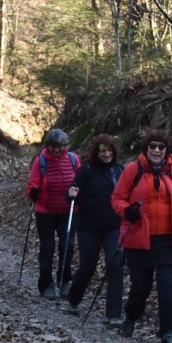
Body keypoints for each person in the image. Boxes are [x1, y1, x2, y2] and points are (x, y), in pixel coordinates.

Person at [111, 130, 172, 343]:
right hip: (139, 240)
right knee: (140, 288)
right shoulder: (133, 171)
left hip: (167, 241)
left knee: (168, 289)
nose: (156, 150)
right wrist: (127, 211)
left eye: (161, 147)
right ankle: (131, 318)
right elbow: (117, 199)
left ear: (166, 151)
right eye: (152, 146)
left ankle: (167, 332)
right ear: (146, 148)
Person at [64, 135, 125, 324]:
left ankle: (113, 314)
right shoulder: (87, 170)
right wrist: (72, 194)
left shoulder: (119, 170)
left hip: (113, 226)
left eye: (109, 151)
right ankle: (74, 300)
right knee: (88, 266)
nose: (106, 154)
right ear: (96, 153)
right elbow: (71, 194)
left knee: (114, 264)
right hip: (88, 227)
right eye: (102, 151)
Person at [24, 128, 79, 298]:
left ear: (65, 146)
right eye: (52, 146)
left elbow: (81, 180)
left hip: (68, 211)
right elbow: (32, 184)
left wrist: (79, 192)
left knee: (67, 246)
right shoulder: (40, 161)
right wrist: (33, 192)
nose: (56, 150)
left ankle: (65, 281)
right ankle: (46, 284)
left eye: (59, 146)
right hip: (45, 212)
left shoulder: (73, 159)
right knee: (47, 248)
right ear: (48, 146)